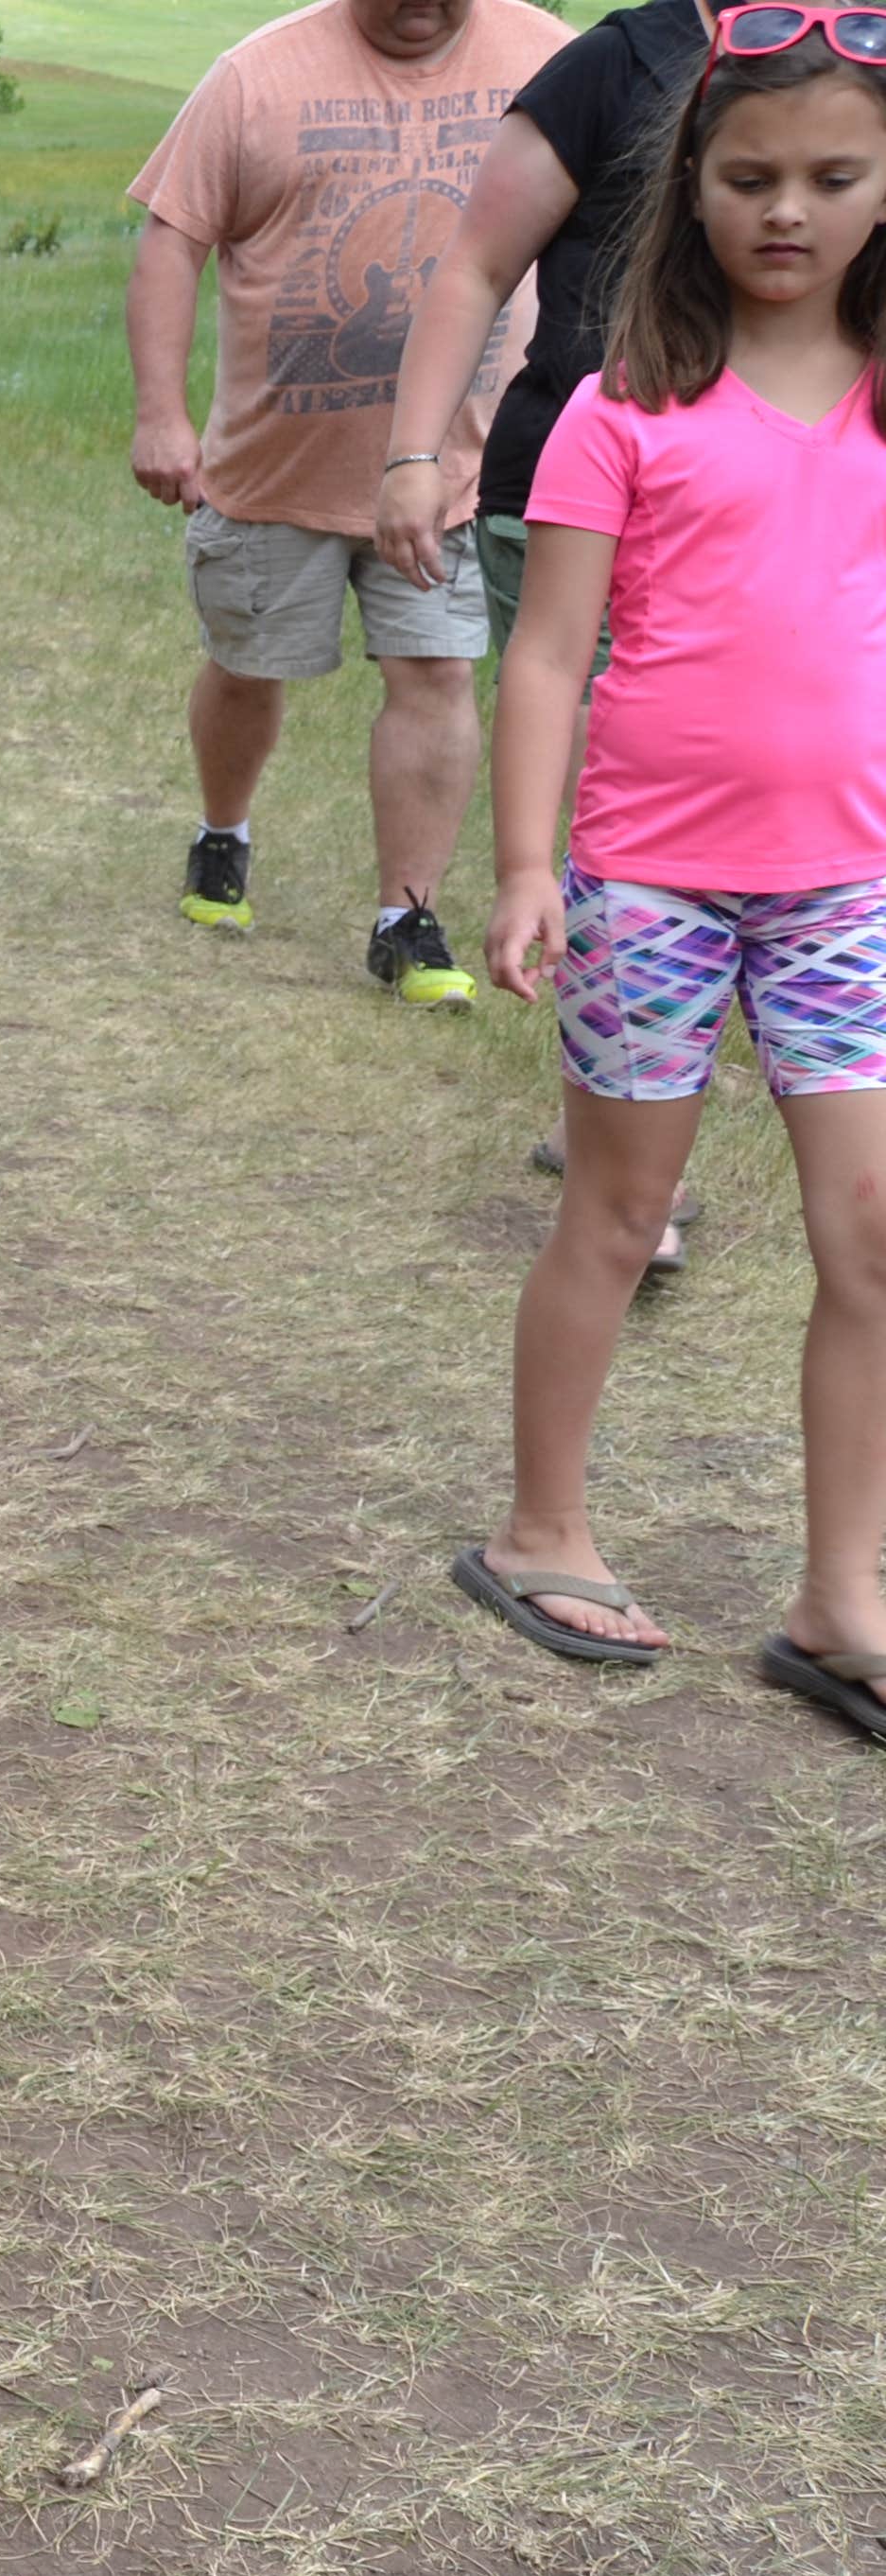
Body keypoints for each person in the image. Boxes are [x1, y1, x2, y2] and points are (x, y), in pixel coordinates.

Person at [461, 8, 886, 1745]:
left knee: (872, 1235)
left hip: (847, 892)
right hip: (647, 887)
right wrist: (523, 867)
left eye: (834, 178)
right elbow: (547, 656)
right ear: (691, 186)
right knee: (620, 1218)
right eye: (751, 176)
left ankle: (839, 1597)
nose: (787, 210)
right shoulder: (621, 406)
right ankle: (538, 1528)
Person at [125, 0, 568, 1002]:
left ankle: (406, 919)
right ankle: (223, 833)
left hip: (455, 473)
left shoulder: (552, 59)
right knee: (248, 667)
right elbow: (171, 241)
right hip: (275, 470)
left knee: (438, 676)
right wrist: (161, 414)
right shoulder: (256, 77)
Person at [375, 0, 715, 1262]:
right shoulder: (617, 65)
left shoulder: (855, 58)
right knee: (628, 808)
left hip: (786, 499)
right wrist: (415, 455)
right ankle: (621, 1155)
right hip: (585, 492)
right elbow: (475, 264)